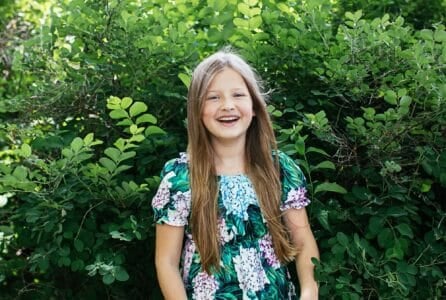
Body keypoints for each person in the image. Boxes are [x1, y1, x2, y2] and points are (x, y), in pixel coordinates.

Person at [152, 47, 319, 300]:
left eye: (238, 95)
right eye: (213, 98)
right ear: (197, 110)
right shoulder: (180, 179)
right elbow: (166, 262)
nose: (227, 106)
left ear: (254, 107)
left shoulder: (279, 169)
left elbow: (304, 243)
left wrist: (309, 293)